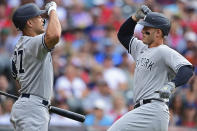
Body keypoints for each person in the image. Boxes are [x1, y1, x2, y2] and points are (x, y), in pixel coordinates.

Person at [108, 5, 194, 131]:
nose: (142, 30)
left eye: (147, 28)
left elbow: (187, 69)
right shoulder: (141, 48)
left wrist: (171, 85)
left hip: (152, 108)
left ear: (158, 32)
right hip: (146, 110)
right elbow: (123, 35)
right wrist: (134, 18)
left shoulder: (164, 51)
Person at [10, 1, 61, 131]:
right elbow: (54, 35)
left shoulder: (21, 46)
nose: (42, 20)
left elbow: (19, 83)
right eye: (38, 17)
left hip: (29, 106)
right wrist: (52, 11)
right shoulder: (31, 43)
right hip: (32, 109)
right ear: (29, 23)